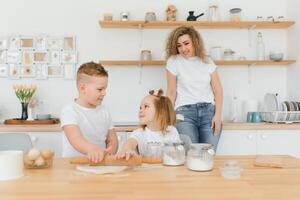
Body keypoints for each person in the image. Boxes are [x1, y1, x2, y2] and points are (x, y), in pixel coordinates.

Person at [165, 26, 223, 149]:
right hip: (184, 114)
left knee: (208, 154)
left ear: (195, 42)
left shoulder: (207, 61)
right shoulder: (173, 61)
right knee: (190, 154)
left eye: (186, 43)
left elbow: (218, 90)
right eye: (179, 45)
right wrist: (168, 118)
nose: (183, 49)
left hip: (209, 113)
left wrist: (218, 115)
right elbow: (171, 92)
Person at [60, 61, 118, 162]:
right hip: (73, 167)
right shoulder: (70, 111)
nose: (104, 93)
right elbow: (76, 139)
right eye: (100, 89)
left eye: (105, 89)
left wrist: (110, 150)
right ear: (83, 88)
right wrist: (94, 150)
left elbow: (112, 139)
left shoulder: (104, 111)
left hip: (99, 164)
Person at [116, 89, 180, 160]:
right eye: (140, 107)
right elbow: (130, 143)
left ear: (161, 111)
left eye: (146, 106)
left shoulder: (171, 131)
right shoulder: (139, 133)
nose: (140, 110)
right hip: (145, 170)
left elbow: (177, 154)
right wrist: (127, 150)